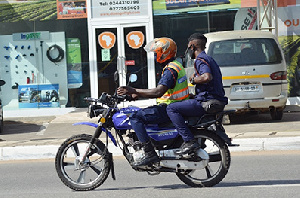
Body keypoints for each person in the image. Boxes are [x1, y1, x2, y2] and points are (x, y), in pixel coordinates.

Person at [117, 37, 189, 166]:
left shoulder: (170, 70)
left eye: (157, 52)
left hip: (169, 108)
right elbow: (163, 93)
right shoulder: (176, 65)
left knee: (135, 117)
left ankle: (149, 153)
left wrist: (133, 89)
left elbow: (158, 92)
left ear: (165, 52)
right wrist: (134, 95)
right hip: (174, 106)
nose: (156, 55)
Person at [166, 33, 229, 155]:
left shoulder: (200, 60)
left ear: (192, 46)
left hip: (208, 102)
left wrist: (193, 79)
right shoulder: (209, 59)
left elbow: (207, 77)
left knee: (171, 108)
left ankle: (189, 141)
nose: (188, 50)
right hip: (213, 99)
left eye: (188, 47)